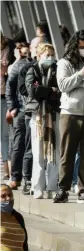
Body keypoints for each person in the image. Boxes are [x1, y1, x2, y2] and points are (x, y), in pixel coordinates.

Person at [53, 30, 84, 204]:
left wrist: (81, 82)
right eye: (81, 47)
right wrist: (81, 75)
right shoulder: (65, 62)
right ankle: (63, 189)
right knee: (67, 153)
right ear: (75, 47)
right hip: (70, 113)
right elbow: (63, 85)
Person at [25, 43, 61, 199]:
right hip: (38, 116)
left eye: (52, 55)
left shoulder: (57, 70)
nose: (50, 58)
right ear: (39, 56)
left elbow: (60, 90)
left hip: (53, 115)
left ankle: (52, 186)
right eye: (47, 55)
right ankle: (38, 186)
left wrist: (47, 91)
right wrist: (50, 90)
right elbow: (32, 90)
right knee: (39, 153)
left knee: (54, 151)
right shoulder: (32, 70)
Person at [5, 42, 33, 194]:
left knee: (30, 145)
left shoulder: (37, 63)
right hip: (21, 110)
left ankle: (27, 177)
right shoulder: (17, 66)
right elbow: (10, 88)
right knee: (18, 144)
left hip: (33, 110)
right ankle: (15, 177)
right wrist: (13, 108)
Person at [1, 33, 16, 186]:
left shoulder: (10, 48)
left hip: (10, 94)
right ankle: (7, 168)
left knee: (13, 133)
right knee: (4, 135)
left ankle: (13, 168)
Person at [1, 184, 28, 251]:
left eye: (10, 195)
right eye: (3, 196)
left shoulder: (18, 217)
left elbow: (24, 245)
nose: (8, 198)